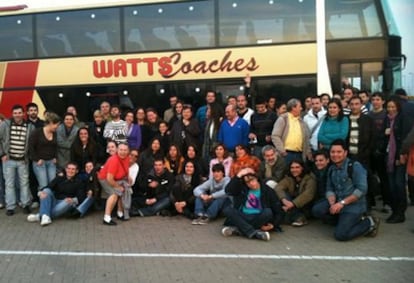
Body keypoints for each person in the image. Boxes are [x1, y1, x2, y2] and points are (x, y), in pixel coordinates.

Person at [312, 139, 380, 241]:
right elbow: (329, 188)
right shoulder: (331, 169)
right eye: (333, 152)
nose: (335, 155)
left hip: (353, 205)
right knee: (317, 210)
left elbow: (361, 190)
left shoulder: (355, 166)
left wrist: (342, 203)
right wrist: (331, 199)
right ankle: (342, 221)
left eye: (339, 152)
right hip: (338, 202)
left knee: (341, 235)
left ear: (345, 153)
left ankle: (369, 222)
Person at [221, 167, 283, 241]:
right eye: (247, 182)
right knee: (227, 210)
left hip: (258, 216)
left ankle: (239, 229)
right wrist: (239, 174)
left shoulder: (268, 190)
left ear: (256, 178)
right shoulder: (243, 188)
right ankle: (253, 233)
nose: (251, 183)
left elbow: (279, 211)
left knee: (268, 212)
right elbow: (228, 191)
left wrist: (273, 225)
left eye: (252, 180)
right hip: (243, 215)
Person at [0, 104, 35, 216]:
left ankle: (25, 205)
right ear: (12, 114)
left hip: (22, 160)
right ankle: (10, 207)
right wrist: (2, 154)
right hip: (8, 160)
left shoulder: (30, 126)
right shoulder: (5, 124)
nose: (17, 115)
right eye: (15, 113)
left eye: (19, 113)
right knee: (9, 184)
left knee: (24, 183)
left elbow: (32, 144)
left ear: (23, 114)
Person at [26, 162, 86, 226]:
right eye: (69, 168)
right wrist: (40, 193)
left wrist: (73, 200)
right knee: (46, 191)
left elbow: (81, 197)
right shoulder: (59, 178)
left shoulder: (79, 182)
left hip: (66, 202)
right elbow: (48, 186)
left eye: (73, 169)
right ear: (66, 169)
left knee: (68, 202)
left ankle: (40, 216)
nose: (70, 171)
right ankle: (44, 216)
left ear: (76, 171)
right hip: (55, 200)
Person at [382, 98, 407, 223]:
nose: (391, 109)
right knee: (391, 185)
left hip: (398, 156)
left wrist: (399, 155)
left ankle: (400, 212)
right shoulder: (387, 119)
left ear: (398, 107)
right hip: (388, 156)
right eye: (389, 107)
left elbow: (403, 138)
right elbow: (383, 136)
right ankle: (395, 210)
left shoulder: (402, 119)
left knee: (398, 184)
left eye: (393, 107)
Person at [29, 112, 60, 207]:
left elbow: (55, 147)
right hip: (40, 163)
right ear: (50, 122)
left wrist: (55, 157)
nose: (57, 127)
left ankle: (51, 204)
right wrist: (36, 159)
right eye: (56, 125)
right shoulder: (37, 132)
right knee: (43, 185)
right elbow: (31, 147)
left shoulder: (55, 134)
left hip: (51, 162)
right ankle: (44, 205)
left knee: (52, 184)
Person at [275, 159, 316, 227]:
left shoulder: (310, 178)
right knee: (284, 195)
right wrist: (283, 200)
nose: (294, 170)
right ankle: (298, 217)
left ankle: (298, 217)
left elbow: (308, 194)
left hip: (305, 205)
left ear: (302, 168)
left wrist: (292, 204)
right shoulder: (289, 177)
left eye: (297, 167)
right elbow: (278, 188)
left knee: (283, 215)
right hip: (291, 204)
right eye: (292, 168)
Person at [98, 142, 130, 225]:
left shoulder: (127, 158)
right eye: (121, 150)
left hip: (118, 178)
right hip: (105, 178)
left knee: (123, 190)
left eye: (125, 150)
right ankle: (107, 217)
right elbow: (109, 179)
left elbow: (125, 169)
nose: (123, 152)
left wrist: (127, 179)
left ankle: (120, 213)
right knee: (114, 194)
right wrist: (118, 186)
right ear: (117, 150)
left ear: (128, 151)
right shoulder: (114, 160)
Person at [271, 98, 311, 165]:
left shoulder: (302, 122)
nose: (301, 109)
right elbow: (275, 136)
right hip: (286, 154)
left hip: (299, 154)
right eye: (299, 106)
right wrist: (282, 151)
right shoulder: (283, 119)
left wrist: (308, 152)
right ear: (293, 108)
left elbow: (306, 139)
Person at [368, 92, 390, 211]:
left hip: (382, 151)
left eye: (378, 99)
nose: (375, 101)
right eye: (373, 99)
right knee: (370, 176)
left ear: (383, 101)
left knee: (384, 178)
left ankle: (387, 202)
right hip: (371, 150)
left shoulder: (386, 115)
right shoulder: (369, 115)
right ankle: (371, 203)